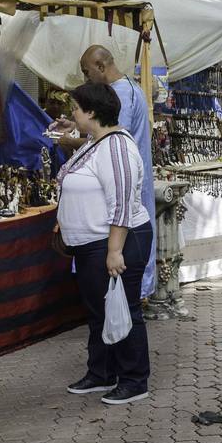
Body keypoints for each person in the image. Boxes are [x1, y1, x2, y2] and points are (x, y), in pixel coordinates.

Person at [57, 82, 154, 405]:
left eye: (76, 108)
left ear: (92, 112)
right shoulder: (94, 143)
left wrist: (114, 250)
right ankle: (102, 372)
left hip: (117, 241)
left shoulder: (116, 147)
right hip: (91, 244)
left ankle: (134, 379)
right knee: (100, 311)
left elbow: (123, 202)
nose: (72, 113)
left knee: (122, 309)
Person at [52, 46, 157, 299]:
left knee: (122, 305)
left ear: (100, 66)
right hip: (121, 206)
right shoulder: (128, 90)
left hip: (121, 209)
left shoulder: (120, 98)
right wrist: (78, 125)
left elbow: (110, 136)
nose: (86, 78)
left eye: (87, 73)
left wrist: (70, 143)